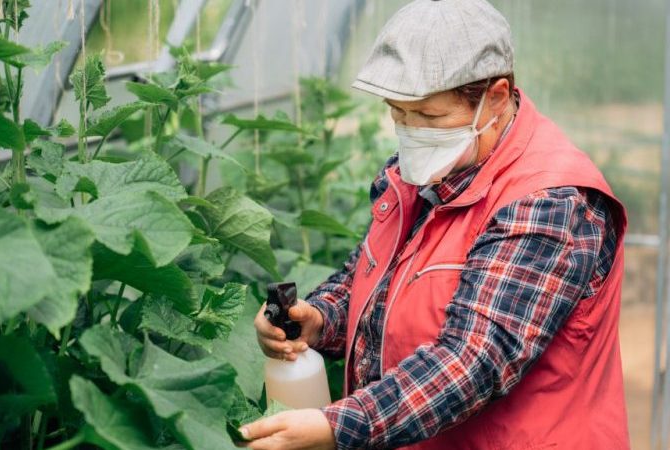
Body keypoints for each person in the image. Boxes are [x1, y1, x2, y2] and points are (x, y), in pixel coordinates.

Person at [241, 0, 631, 449]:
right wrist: (320, 317)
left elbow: (472, 360)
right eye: (398, 113)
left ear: (496, 98)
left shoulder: (549, 201)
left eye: (428, 117)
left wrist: (338, 426)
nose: (410, 131)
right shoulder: (430, 170)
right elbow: (373, 279)